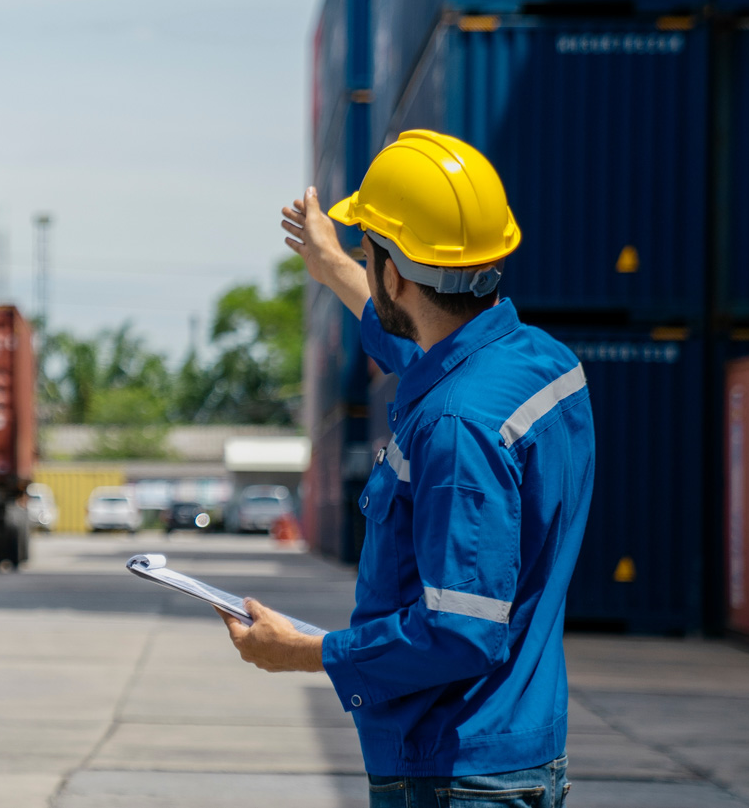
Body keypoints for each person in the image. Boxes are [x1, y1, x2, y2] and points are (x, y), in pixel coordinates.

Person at [220, 130, 595, 808]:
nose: (364, 264)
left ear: (394, 272)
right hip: (517, 749)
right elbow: (415, 344)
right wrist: (331, 259)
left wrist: (303, 650)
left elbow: (459, 631)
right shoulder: (541, 364)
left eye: (370, 253)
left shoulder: (456, 426)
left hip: (454, 776)